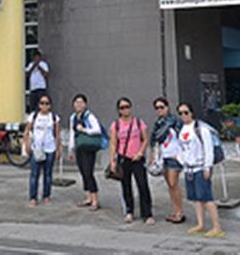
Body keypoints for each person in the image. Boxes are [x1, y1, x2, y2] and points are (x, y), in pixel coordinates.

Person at [176, 103, 225, 238]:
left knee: (206, 198)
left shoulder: (201, 128)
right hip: (189, 169)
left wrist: (207, 167)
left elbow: (208, 149)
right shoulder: (182, 130)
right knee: (196, 198)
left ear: (192, 113)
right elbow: (181, 149)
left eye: (186, 112)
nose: (183, 116)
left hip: (200, 167)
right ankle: (201, 223)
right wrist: (181, 161)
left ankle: (217, 227)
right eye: (180, 113)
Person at [109, 97, 154, 225]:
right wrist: (113, 160)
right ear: (119, 110)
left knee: (142, 185)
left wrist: (140, 152)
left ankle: (147, 213)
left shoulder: (138, 123)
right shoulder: (116, 125)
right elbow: (113, 143)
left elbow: (145, 139)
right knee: (126, 185)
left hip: (137, 158)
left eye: (127, 106)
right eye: (122, 107)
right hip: (124, 157)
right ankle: (129, 211)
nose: (125, 109)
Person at [23, 93, 61, 207]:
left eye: (47, 103)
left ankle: (46, 196)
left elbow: (57, 134)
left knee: (48, 174)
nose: (44, 106)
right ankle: (33, 197)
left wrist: (59, 149)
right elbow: (26, 131)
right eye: (42, 103)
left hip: (50, 148)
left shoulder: (54, 117)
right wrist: (27, 145)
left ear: (50, 105)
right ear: (38, 105)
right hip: (37, 148)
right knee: (34, 174)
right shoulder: (33, 116)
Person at [152, 97, 185, 223]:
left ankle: (179, 212)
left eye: (162, 107)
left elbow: (183, 137)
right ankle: (175, 210)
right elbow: (154, 140)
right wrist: (153, 155)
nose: (159, 110)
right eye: (157, 108)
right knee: (170, 185)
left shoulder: (175, 121)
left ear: (167, 107)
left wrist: (182, 155)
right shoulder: (158, 123)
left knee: (173, 183)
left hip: (174, 156)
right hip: (163, 157)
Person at [67, 93, 101, 211]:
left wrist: (84, 130)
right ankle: (88, 197)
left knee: (88, 172)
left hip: (88, 148)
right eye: (76, 102)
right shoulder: (73, 117)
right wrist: (71, 149)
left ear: (85, 104)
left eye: (81, 102)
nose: (78, 104)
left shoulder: (89, 116)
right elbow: (72, 134)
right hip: (79, 148)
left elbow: (97, 129)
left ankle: (95, 200)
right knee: (83, 172)